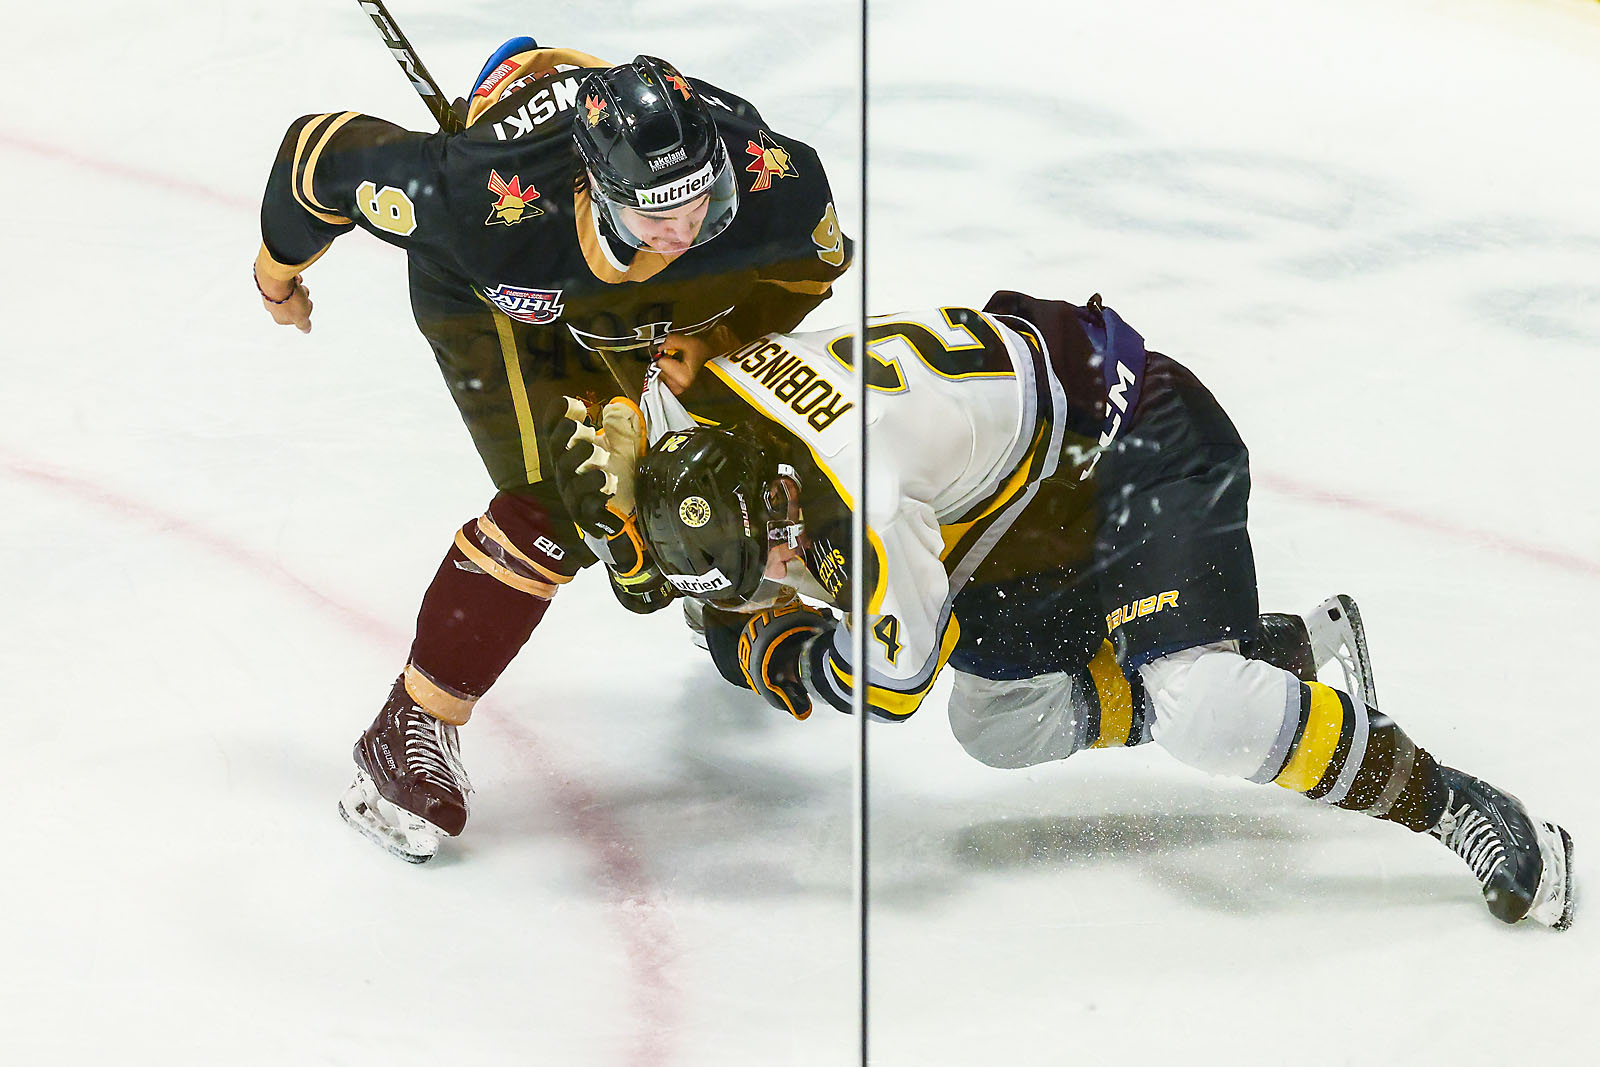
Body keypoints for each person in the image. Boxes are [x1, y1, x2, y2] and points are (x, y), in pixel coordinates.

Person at [551, 291, 1574, 928]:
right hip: (1030, 497)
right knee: (1000, 722)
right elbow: (644, 411)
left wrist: (774, 649)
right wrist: (634, 530)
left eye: (774, 554)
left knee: (1204, 712)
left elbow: (892, 681)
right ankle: (1289, 655)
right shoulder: (716, 412)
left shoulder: (864, 495)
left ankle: (1456, 802)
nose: (781, 570)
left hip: (1136, 440)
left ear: (779, 495)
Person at [253, 42, 852, 862]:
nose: (683, 233)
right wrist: (276, 276)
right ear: (592, 188)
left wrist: (715, 344)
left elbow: (809, 270)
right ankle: (410, 723)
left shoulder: (773, 180)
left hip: (603, 285)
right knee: (562, 502)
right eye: (656, 218)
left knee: (735, 419)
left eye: (700, 205)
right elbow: (314, 159)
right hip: (488, 302)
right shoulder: (476, 199)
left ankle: (730, 597)